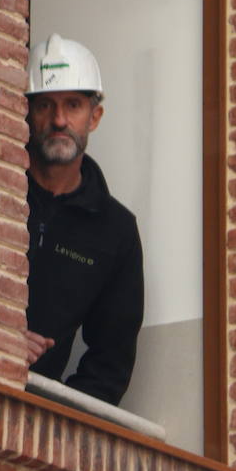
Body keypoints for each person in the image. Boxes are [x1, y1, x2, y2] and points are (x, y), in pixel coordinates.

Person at [23, 33, 143, 406]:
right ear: (26, 112)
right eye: (45, 105)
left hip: (38, 423)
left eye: (73, 105)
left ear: (95, 116)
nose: (59, 120)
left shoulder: (115, 230)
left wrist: (57, 426)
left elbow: (111, 362)